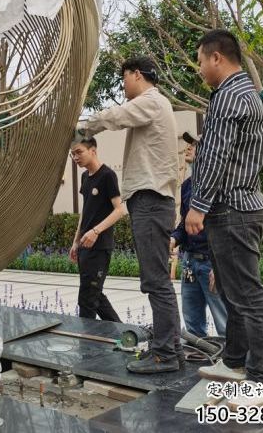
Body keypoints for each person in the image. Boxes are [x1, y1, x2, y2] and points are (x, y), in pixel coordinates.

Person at [185, 29, 263, 409]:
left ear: (217, 57)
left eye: (201, 60)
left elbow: (219, 156)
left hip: (231, 209)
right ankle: (236, 362)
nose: (200, 68)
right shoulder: (247, 94)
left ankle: (262, 380)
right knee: (233, 292)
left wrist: (198, 204)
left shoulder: (227, 97)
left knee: (248, 297)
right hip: (241, 206)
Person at [79, 56, 182, 374]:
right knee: (156, 281)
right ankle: (170, 348)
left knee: (156, 282)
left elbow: (118, 116)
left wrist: (83, 125)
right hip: (150, 202)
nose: (123, 84)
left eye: (124, 77)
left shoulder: (152, 101)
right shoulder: (155, 105)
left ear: (137, 75)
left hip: (151, 202)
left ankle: (165, 354)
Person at [171, 131, 227, 337]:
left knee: (225, 324)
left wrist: (221, 264)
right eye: (189, 143)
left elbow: (226, 227)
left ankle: (231, 364)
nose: (189, 147)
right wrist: (173, 239)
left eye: (195, 144)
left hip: (212, 263)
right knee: (192, 325)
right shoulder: (187, 185)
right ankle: (198, 362)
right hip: (190, 264)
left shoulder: (221, 185)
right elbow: (184, 224)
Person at [69, 137, 124, 322]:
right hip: (85, 246)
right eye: (72, 154)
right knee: (94, 294)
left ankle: (87, 343)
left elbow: (120, 210)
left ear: (93, 150)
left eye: (79, 152)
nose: (75, 157)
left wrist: (95, 231)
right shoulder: (85, 177)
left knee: (87, 298)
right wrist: (76, 241)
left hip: (100, 247)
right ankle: (124, 333)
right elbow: (85, 211)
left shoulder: (107, 175)